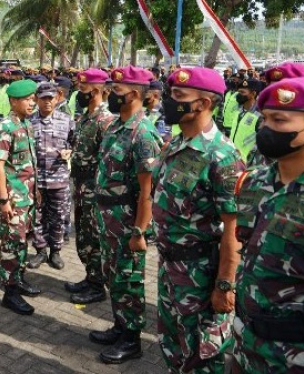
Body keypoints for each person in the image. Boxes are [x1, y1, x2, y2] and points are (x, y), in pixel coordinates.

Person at [152, 67, 245, 373]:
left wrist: (225, 286)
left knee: (204, 357)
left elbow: (234, 229)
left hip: (201, 276)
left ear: (204, 104)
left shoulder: (223, 157)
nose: (169, 101)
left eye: (179, 96)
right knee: (173, 347)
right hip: (169, 267)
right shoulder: (175, 144)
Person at [232, 77, 304, 374]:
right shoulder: (254, 182)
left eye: (279, 120)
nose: (265, 129)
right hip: (246, 345)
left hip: (298, 358)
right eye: (265, 118)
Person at [89, 66, 161, 364]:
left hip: (128, 220)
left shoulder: (144, 133)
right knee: (113, 277)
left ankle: (131, 339)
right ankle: (120, 326)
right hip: (108, 217)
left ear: (133, 94)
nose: (111, 95)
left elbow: (147, 190)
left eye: (116, 91)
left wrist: (140, 231)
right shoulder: (116, 127)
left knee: (129, 280)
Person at [65, 69, 117, 305]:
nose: (79, 93)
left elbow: (107, 160)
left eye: (83, 89)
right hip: (81, 186)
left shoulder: (106, 120)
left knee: (93, 238)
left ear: (96, 90)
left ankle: (98, 286)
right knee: (84, 237)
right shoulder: (87, 116)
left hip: (94, 189)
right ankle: (90, 276)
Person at [0, 79, 40, 315]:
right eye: (27, 99)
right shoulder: (6, 127)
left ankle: (19, 278)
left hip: (27, 196)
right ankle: (9, 292)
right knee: (11, 243)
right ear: (13, 101)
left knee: (22, 241)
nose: (32, 103)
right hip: (13, 198)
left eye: (33, 99)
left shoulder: (26, 124)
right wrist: (3, 199)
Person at [26, 82, 74, 271]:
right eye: (43, 98)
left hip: (59, 179)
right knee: (37, 216)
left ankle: (55, 251)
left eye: (51, 98)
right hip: (36, 180)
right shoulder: (29, 121)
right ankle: (40, 251)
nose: (47, 102)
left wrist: (70, 151)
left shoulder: (66, 120)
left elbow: (74, 142)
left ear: (57, 99)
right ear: (37, 99)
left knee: (58, 216)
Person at [228, 79, 263, 163]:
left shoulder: (260, 115)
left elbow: (261, 145)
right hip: (232, 158)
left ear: (253, 94)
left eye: (242, 92)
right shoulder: (239, 110)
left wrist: (250, 162)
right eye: (238, 92)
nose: (238, 95)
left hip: (246, 163)